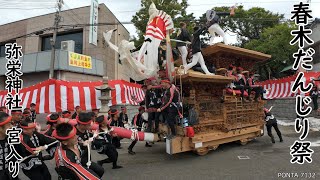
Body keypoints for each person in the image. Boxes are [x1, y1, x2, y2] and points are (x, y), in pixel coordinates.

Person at [75, 112, 104, 178]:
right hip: (78, 161)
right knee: (99, 171)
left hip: (87, 157)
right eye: (88, 125)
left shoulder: (86, 130)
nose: (90, 126)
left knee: (99, 171)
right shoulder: (73, 133)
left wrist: (94, 135)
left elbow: (89, 136)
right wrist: (81, 144)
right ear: (82, 125)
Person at [0, 112, 19, 180]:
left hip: (10, 174)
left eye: (11, 123)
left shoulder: (11, 139)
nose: (12, 127)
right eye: (9, 124)